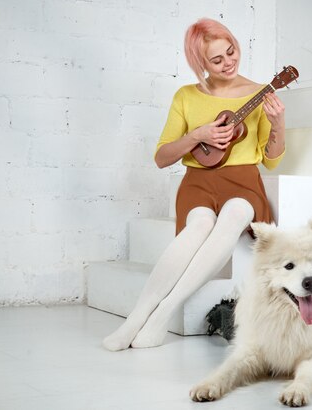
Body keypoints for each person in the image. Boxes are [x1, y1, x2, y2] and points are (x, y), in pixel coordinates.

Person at [102, 18, 286, 351]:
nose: (228, 62)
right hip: (198, 183)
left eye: (231, 52)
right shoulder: (186, 96)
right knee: (199, 225)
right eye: (217, 60)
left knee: (233, 215)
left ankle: (162, 316)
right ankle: (137, 317)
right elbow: (161, 157)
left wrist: (278, 124)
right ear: (200, 64)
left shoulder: (260, 94)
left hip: (243, 182)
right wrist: (198, 135)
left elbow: (271, 159)